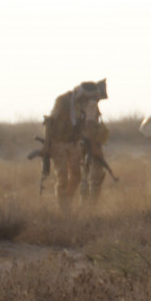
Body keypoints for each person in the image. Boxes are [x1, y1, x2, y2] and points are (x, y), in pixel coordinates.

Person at [42, 80, 108, 209]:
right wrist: (47, 146)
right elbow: (50, 122)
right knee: (62, 179)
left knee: (76, 176)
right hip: (58, 142)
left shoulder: (81, 104)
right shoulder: (63, 101)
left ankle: (66, 202)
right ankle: (65, 211)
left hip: (73, 143)